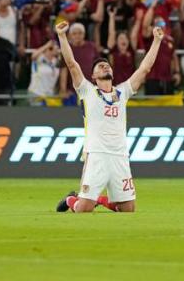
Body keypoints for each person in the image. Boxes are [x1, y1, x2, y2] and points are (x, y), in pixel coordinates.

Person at [54, 21, 164, 214]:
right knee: (83, 209)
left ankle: (101, 199)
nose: (105, 67)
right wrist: (62, 36)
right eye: (100, 66)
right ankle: (72, 199)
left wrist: (156, 41)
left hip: (120, 155)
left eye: (107, 65)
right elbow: (71, 64)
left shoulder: (123, 91)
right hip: (96, 153)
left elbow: (144, 69)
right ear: (93, 76)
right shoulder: (87, 90)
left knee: (128, 210)